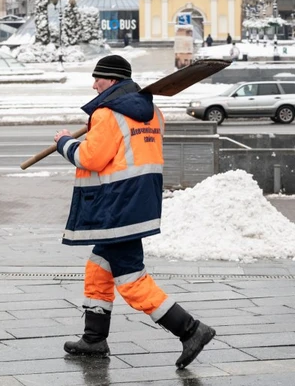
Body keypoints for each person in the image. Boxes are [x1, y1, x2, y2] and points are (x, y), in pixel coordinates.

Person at [53, 54, 215, 370]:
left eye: (98, 78)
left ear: (112, 81)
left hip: (115, 208)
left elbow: (90, 158)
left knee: (131, 279)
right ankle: (94, 338)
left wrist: (63, 143)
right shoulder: (153, 112)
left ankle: (191, 330)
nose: (93, 84)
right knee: (98, 268)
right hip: (140, 204)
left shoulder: (106, 113)